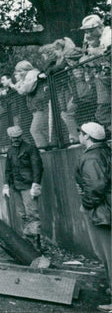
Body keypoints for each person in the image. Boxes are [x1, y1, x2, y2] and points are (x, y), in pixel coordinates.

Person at [75, 122, 111, 312]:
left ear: (87, 136)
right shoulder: (105, 151)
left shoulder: (91, 157)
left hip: (102, 211)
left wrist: (86, 204)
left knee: (107, 254)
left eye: (80, 133)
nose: (79, 135)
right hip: (107, 207)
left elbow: (96, 186)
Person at [3, 125, 44, 251]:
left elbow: (37, 167)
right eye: (13, 137)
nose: (16, 139)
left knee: (32, 213)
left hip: (28, 185)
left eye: (17, 137)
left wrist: (36, 183)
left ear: (21, 136)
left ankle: (36, 243)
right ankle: (28, 240)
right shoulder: (10, 150)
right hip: (16, 186)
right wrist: (6, 184)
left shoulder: (30, 148)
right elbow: (8, 169)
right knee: (23, 214)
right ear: (10, 137)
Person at [9, 60, 50, 148]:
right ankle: (47, 147)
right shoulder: (27, 77)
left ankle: (42, 147)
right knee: (42, 129)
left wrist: (17, 87)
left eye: (20, 71)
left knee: (35, 129)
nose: (19, 73)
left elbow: (24, 90)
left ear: (27, 69)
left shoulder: (31, 75)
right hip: (36, 106)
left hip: (40, 106)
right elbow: (20, 87)